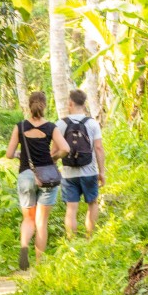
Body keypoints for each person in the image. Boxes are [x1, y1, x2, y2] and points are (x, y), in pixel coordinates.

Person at [6, 90, 69, 271]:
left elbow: (9, 154)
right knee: (42, 222)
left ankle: (24, 245)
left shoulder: (20, 127)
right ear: (45, 106)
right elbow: (65, 148)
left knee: (28, 219)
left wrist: (20, 154)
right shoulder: (51, 127)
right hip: (47, 176)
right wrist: (55, 157)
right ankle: (40, 264)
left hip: (26, 175)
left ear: (29, 106)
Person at [58, 88, 106, 238]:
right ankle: (89, 238)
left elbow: (56, 150)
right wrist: (102, 171)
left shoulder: (60, 124)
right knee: (92, 204)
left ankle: (72, 242)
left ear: (70, 103)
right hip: (89, 171)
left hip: (68, 173)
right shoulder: (92, 124)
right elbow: (98, 148)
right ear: (84, 104)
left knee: (71, 209)